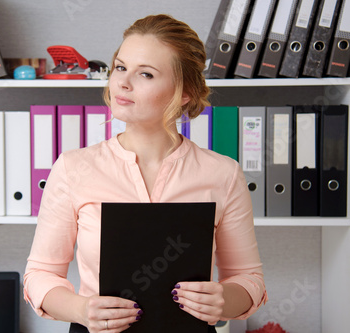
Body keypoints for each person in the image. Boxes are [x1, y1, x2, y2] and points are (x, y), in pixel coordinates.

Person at [23, 14, 267, 333]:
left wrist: (225, 299)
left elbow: (249, 280)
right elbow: (40, 274)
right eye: (121, 67)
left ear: (185, 93)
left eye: (146, 74)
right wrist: (81, 309)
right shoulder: (72, 168)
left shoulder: (223, 173)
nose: (122, 82)